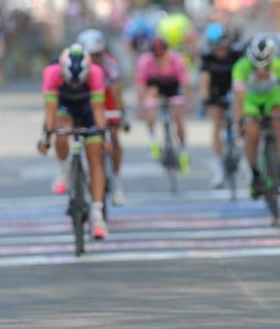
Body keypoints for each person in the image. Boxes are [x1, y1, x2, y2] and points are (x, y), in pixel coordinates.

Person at [37, 44, 111, 239]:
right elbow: (50, 111)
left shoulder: (96, 73)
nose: (76, 84)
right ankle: (64, 171)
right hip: (65, 106)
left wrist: (105, 137)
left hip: (88, 108)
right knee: (61, 132)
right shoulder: (51, 73)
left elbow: (98, 111)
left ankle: (97, 214)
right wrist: (45, 137)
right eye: (72, 81)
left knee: (95, 158)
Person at [232, 35, 280, 196]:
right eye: (257, 67)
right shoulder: (241, 67)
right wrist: (240, 121)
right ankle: (255, 174)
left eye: (266, 67)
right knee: (252, 133)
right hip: (251, 100)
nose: (261, 71)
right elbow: (239, 98)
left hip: (273, 97)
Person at [78, 29, 128, 205]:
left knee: (113, 137)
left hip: (106, 97)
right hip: (85, 97)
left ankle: (116, 180)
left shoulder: (110, 62)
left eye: (98, 54)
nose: (95, 59)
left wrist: (121, 113)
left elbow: (116, 89)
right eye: (91, 55)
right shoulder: (77, 63)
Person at [136, 37, 193, 173]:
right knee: (150, 97)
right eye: (156, 55)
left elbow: (185, 83)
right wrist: (140, 106)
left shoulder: (176, 60)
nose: (160, 58)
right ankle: (152, 139)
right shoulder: (146, 61)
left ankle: (183, 148)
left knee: (178, 117)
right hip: (155, 86)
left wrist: (189, 101)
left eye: (162, 54)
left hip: (172, 86)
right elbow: (141, 85)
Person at [199, 22, 244, 188]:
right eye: (216, 48)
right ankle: (219, 167)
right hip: (216, 87)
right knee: (217, 124)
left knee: (243, 118)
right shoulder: (206, 55)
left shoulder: (238, 51)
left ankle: (244, 150)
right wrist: (204, 97)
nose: (220, 51)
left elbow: (246, 74)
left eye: (223, 47)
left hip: (236, 86)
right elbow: (204, 77)